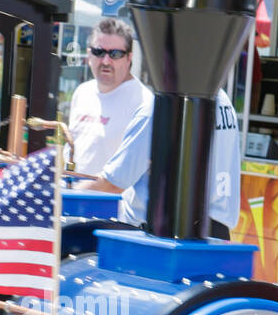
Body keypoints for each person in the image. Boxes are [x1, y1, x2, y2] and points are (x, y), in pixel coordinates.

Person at [88, 86, 241, 238]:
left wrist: (72, 190)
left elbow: (114, 182)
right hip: (216, 236)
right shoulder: (224, 101)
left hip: (162, 237)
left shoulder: (162, 105)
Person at [66, 17, 154, 175]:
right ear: (89, 54)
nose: (106, 61)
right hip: (75, 195)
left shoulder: (144, 102)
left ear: (129, 58)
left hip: (114, 199)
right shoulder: (82, 92)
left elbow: (137, 170)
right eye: (99, 52)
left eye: (115, 54)